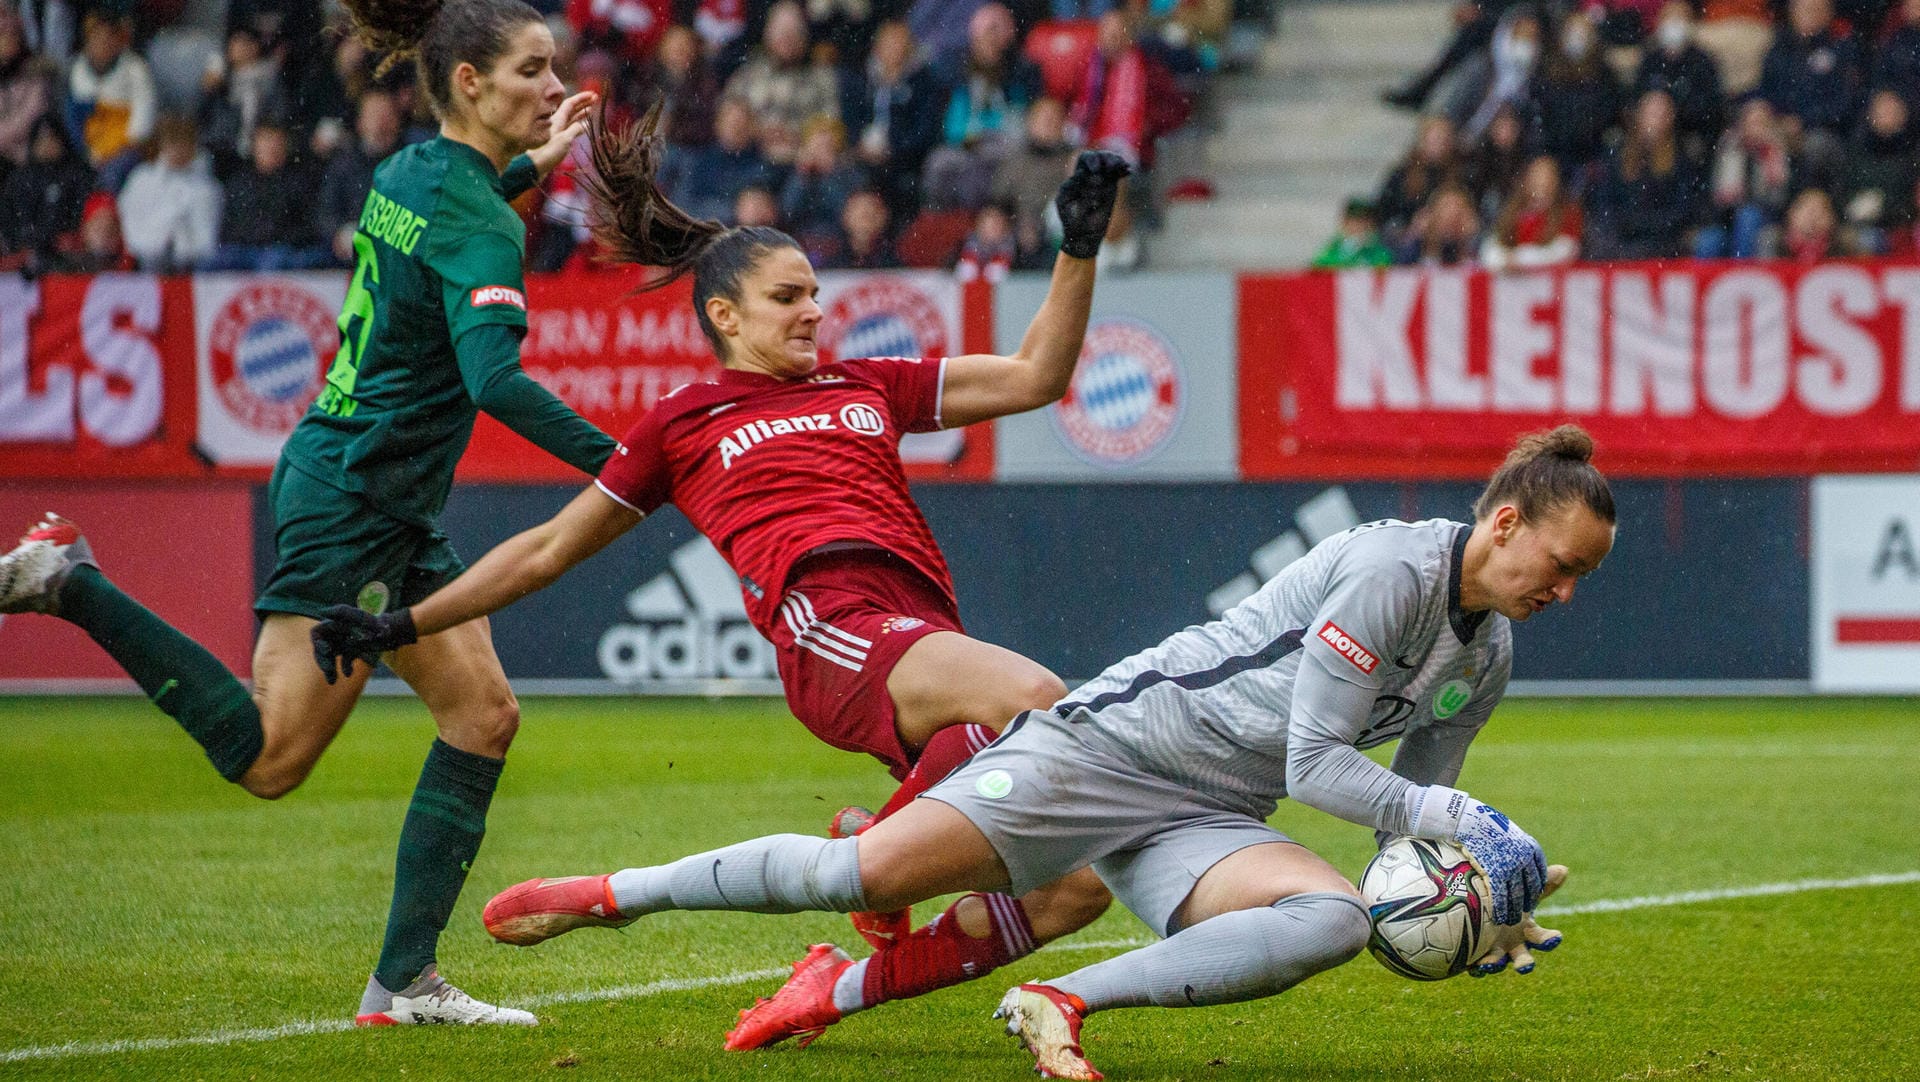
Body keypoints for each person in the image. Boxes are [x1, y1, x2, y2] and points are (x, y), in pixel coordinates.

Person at [310, 107, 1135, 1028]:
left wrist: (1078, 246)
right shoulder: (684, 421)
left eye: (815, 292)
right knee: (1036, 695)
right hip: (833, 628)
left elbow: (1036, 378)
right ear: (725, 314)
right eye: (789, 297)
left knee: (1079, 888)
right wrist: (406, 622)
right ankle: (878, 855)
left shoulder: (865, 383)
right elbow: (547, 546)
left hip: (917, 641)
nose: (814, 310)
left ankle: (836, 982)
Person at [473, 425, 1613, 1078]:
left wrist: (1472, 900)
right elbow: (1324, 765)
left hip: (1209, 818)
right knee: (858, 874)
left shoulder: (1491, 651)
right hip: (1110, 745)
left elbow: (1399, 815)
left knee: (1330, 919)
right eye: (1554, 564)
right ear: (1504, 520)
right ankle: (616, 893)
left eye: (1581, 582)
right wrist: (1470, 829)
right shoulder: (1391, 570)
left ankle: (1058, 1000)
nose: (1562, 594)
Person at [0, 0, 609, 1028]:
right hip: (355, 501)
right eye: (533, 71)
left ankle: (403, 982)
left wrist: (529, 165)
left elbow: (456, 218)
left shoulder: (414, 169)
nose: (555, 88)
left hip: (381, 496)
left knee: (484, 712)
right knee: (272, 756)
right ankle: (70, 579)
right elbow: (497, 380)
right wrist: (633, 463)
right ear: (471, 83)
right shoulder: (478, 217)